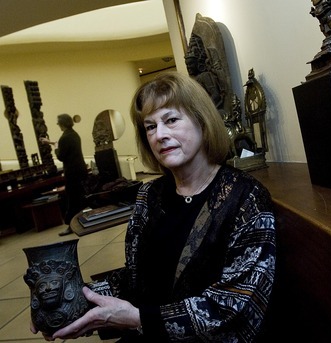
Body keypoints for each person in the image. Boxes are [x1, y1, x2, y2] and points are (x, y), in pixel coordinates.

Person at [32, 71, 277, 342]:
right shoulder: (149, 195)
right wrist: (72, 300)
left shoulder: (246, 197)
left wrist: (138, 319)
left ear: (202, 121)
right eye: (150, 126)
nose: (160, 135)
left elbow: (238, 307)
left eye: (171, 120)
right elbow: (138, 276)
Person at [40, 113, 88, 236]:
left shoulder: (64, 138)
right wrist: (51, 142)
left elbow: (61, 156)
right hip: (81, 170)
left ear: (62, 124)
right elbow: (65, 146)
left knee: (72, 199)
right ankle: (82, 221)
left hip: (72, 172)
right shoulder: (74, 134)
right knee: (80, 196)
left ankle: (70, 226)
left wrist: (55, 147)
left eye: (58, 123)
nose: (57, 125)